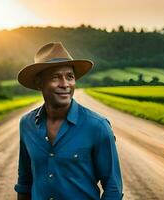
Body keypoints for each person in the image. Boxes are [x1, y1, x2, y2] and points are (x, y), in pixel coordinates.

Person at [15, 42, 123, 200]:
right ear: (39, 83)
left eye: (70, 77)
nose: (65, 84)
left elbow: (113, 188)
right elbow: (25, 183)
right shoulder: (27, 124)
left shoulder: (97, 126)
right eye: (55, 77)